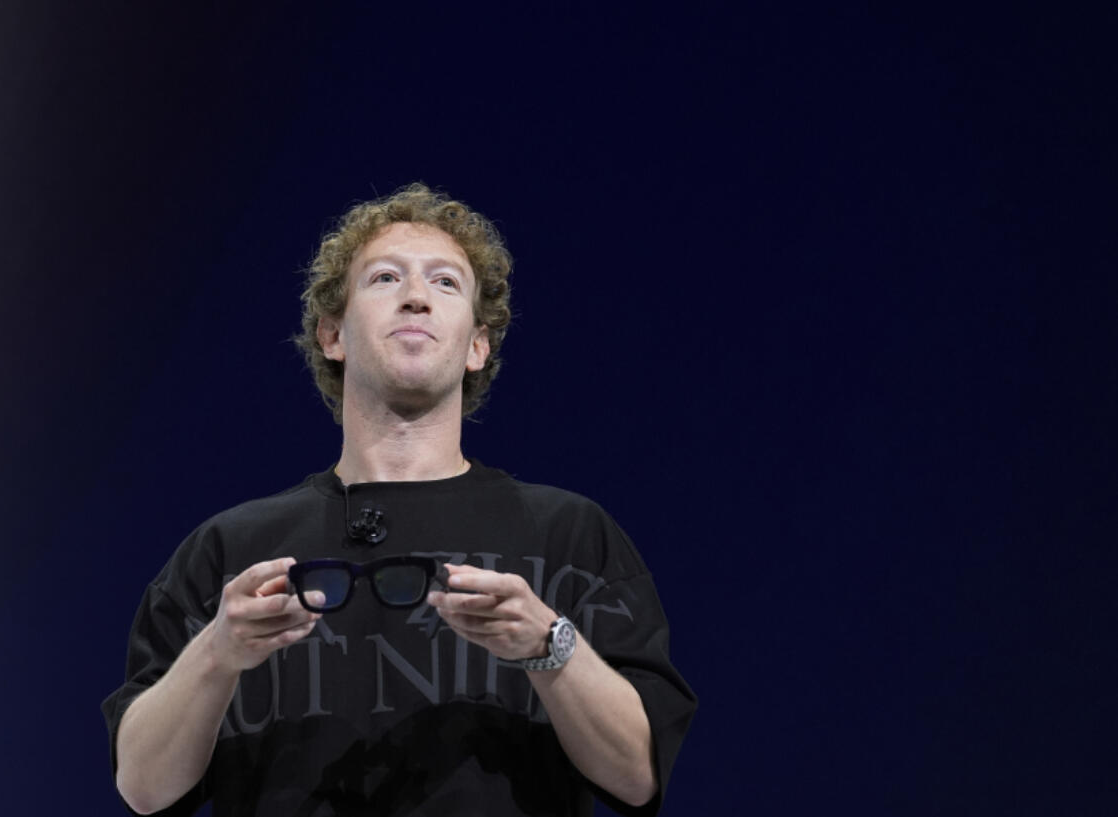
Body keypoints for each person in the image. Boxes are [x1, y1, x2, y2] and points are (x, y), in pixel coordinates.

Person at [102, 184, 697, 816]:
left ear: (477, 346)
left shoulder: (570, 535)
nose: (416, 296)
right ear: (333, 334)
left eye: (446, 283)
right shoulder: (231, 551)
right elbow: (143, 788)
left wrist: (547, 645)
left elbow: (637, 775)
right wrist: (218, 652)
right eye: (385, 277)